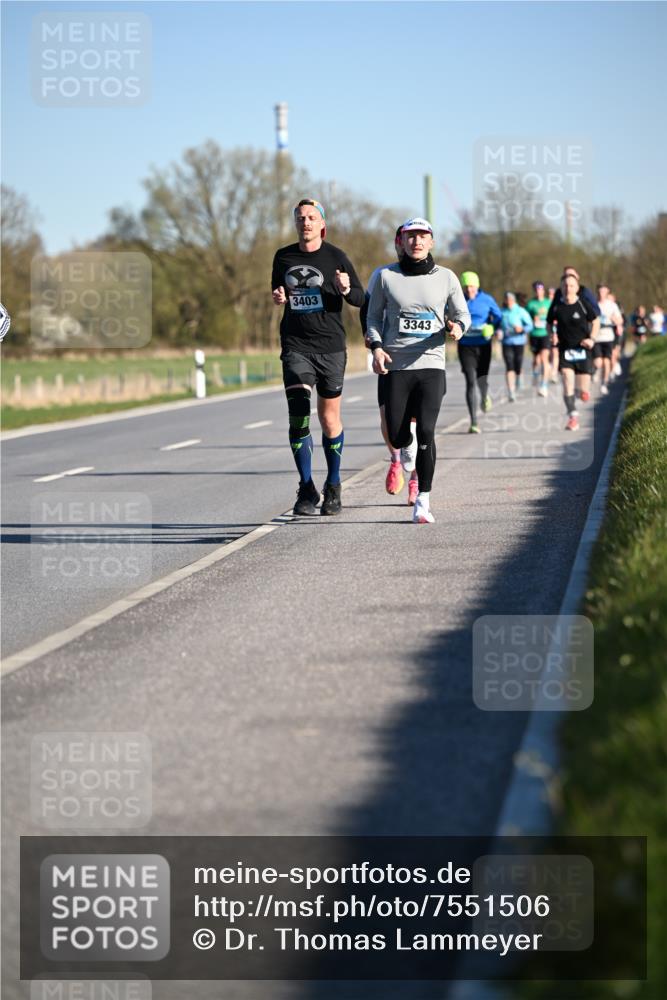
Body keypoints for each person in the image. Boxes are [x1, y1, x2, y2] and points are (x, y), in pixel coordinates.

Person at [366, 217, 470, 523]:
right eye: (411, 236)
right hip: (396, 364)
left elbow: (463, 314)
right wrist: (376, 347)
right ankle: (405, 446)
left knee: (426, 431)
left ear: (431, 241)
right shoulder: (385, 276)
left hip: (431, 364)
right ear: (401, 241)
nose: (417, 241)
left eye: (423, 236)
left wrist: (458, 328)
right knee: (398, 436)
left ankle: (423, 500)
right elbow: (372, 317)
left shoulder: (447, 277)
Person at [272, 198, 364, 516]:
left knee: (328, 419)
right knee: (298, 415)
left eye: (311, 217)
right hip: (296, 346)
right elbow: (278, 291)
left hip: (331, 348)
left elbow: (360, 298)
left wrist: (346, 288)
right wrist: (278, 296)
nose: (306, 222)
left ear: (322, 224)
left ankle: (334, 485)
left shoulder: (336, 256)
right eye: (300, 217)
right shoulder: (283, 257)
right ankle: (306, 487)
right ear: (295, 223)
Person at [360, 227, 419, 505]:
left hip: (420, 357)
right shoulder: (382, 274)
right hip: (389, 353)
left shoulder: (430, 276)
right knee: (387, 416)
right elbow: (366, 308)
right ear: (399, 244)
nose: (408, 244)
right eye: (402, 240)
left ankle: (417, 480)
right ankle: (395, 458)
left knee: (417, 422)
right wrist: (370, 338)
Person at [547, 272, 600, 431]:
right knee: (566, 380)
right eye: (565, 285)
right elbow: (549, 323)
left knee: (583, 391)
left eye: (571, 285)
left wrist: (592, 339)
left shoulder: (583, 304)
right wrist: (552, 335)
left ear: (577, 288)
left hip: (583, 349)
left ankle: (581, 391)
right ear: (561, 287)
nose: (568, 288)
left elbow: (596, 321)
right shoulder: (557, 305)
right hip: (565, 350)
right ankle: (573, 417)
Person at [457, 271, 502, 433]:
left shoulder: (487, 299)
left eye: (472, 286)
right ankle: (474, 422)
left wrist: (492, 327)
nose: (469, 290)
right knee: (470, 381)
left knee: (481, 379)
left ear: (477, 286)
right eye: (466, 287)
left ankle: (484, 395)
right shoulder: (458, 299)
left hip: (483, 345)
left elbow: (498, 317)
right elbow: (447, 314)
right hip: (465, 346)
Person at [498, 291, 533, 402]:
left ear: (513, 300)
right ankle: (511, 392)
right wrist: (498, 332)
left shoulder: (520, 311)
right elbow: (497, 326)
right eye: (506, 299)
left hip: (519, 342)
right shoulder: (502, 312)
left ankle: (519, 376)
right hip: (506, 342)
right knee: (509, 366)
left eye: (510, 299)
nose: (508, 301)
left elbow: (530, 325)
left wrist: (522, 329)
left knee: (518, 364)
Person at [594, 285, 624, 393]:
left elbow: (620, 320)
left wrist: (615, 320)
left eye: (603, 291)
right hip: (596, 337)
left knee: (607, 361)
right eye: (600, 291)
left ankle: (604, 383)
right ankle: (597, 371)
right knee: (598, 362)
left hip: (608, 337)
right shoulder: (594, 304)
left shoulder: (612, 305)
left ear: (607, 292)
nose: (601, 293)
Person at [526, 281, 551, 395]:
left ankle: (544, 385)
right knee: (536, 360)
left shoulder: (548, 303)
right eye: (536, 289)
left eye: (540, 289)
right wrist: (532, 319)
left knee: (544, 358)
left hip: (545, 334)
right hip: (534, 334)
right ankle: (535, 375)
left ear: (543, 290)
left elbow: (554, 317)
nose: (538, 291)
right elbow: (525, 319)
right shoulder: (531, 304)